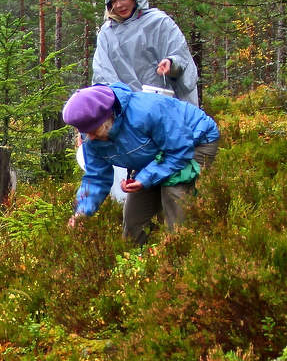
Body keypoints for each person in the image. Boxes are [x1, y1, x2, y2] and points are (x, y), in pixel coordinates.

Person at [64, 83, 220, 242]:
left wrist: (144, 178)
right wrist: (82, 212)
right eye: (84, 132)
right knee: (133, 221)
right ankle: (140, 260)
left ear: (107, 117)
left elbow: (178, 150)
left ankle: (181, 252)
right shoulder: (91, 137)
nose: (89, 138)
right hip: (158, 153)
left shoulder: (147, 111)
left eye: (92, 131)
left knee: (173, 191)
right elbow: (97, 177)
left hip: (194, 142)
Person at [92, 0, 199, 106]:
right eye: (113, 1)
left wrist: (171, 63)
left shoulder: (159, 23)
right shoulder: (107, 34)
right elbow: (102, 73)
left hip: (163, 105)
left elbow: (181, 56)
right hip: (127, 110)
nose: (118, 5)